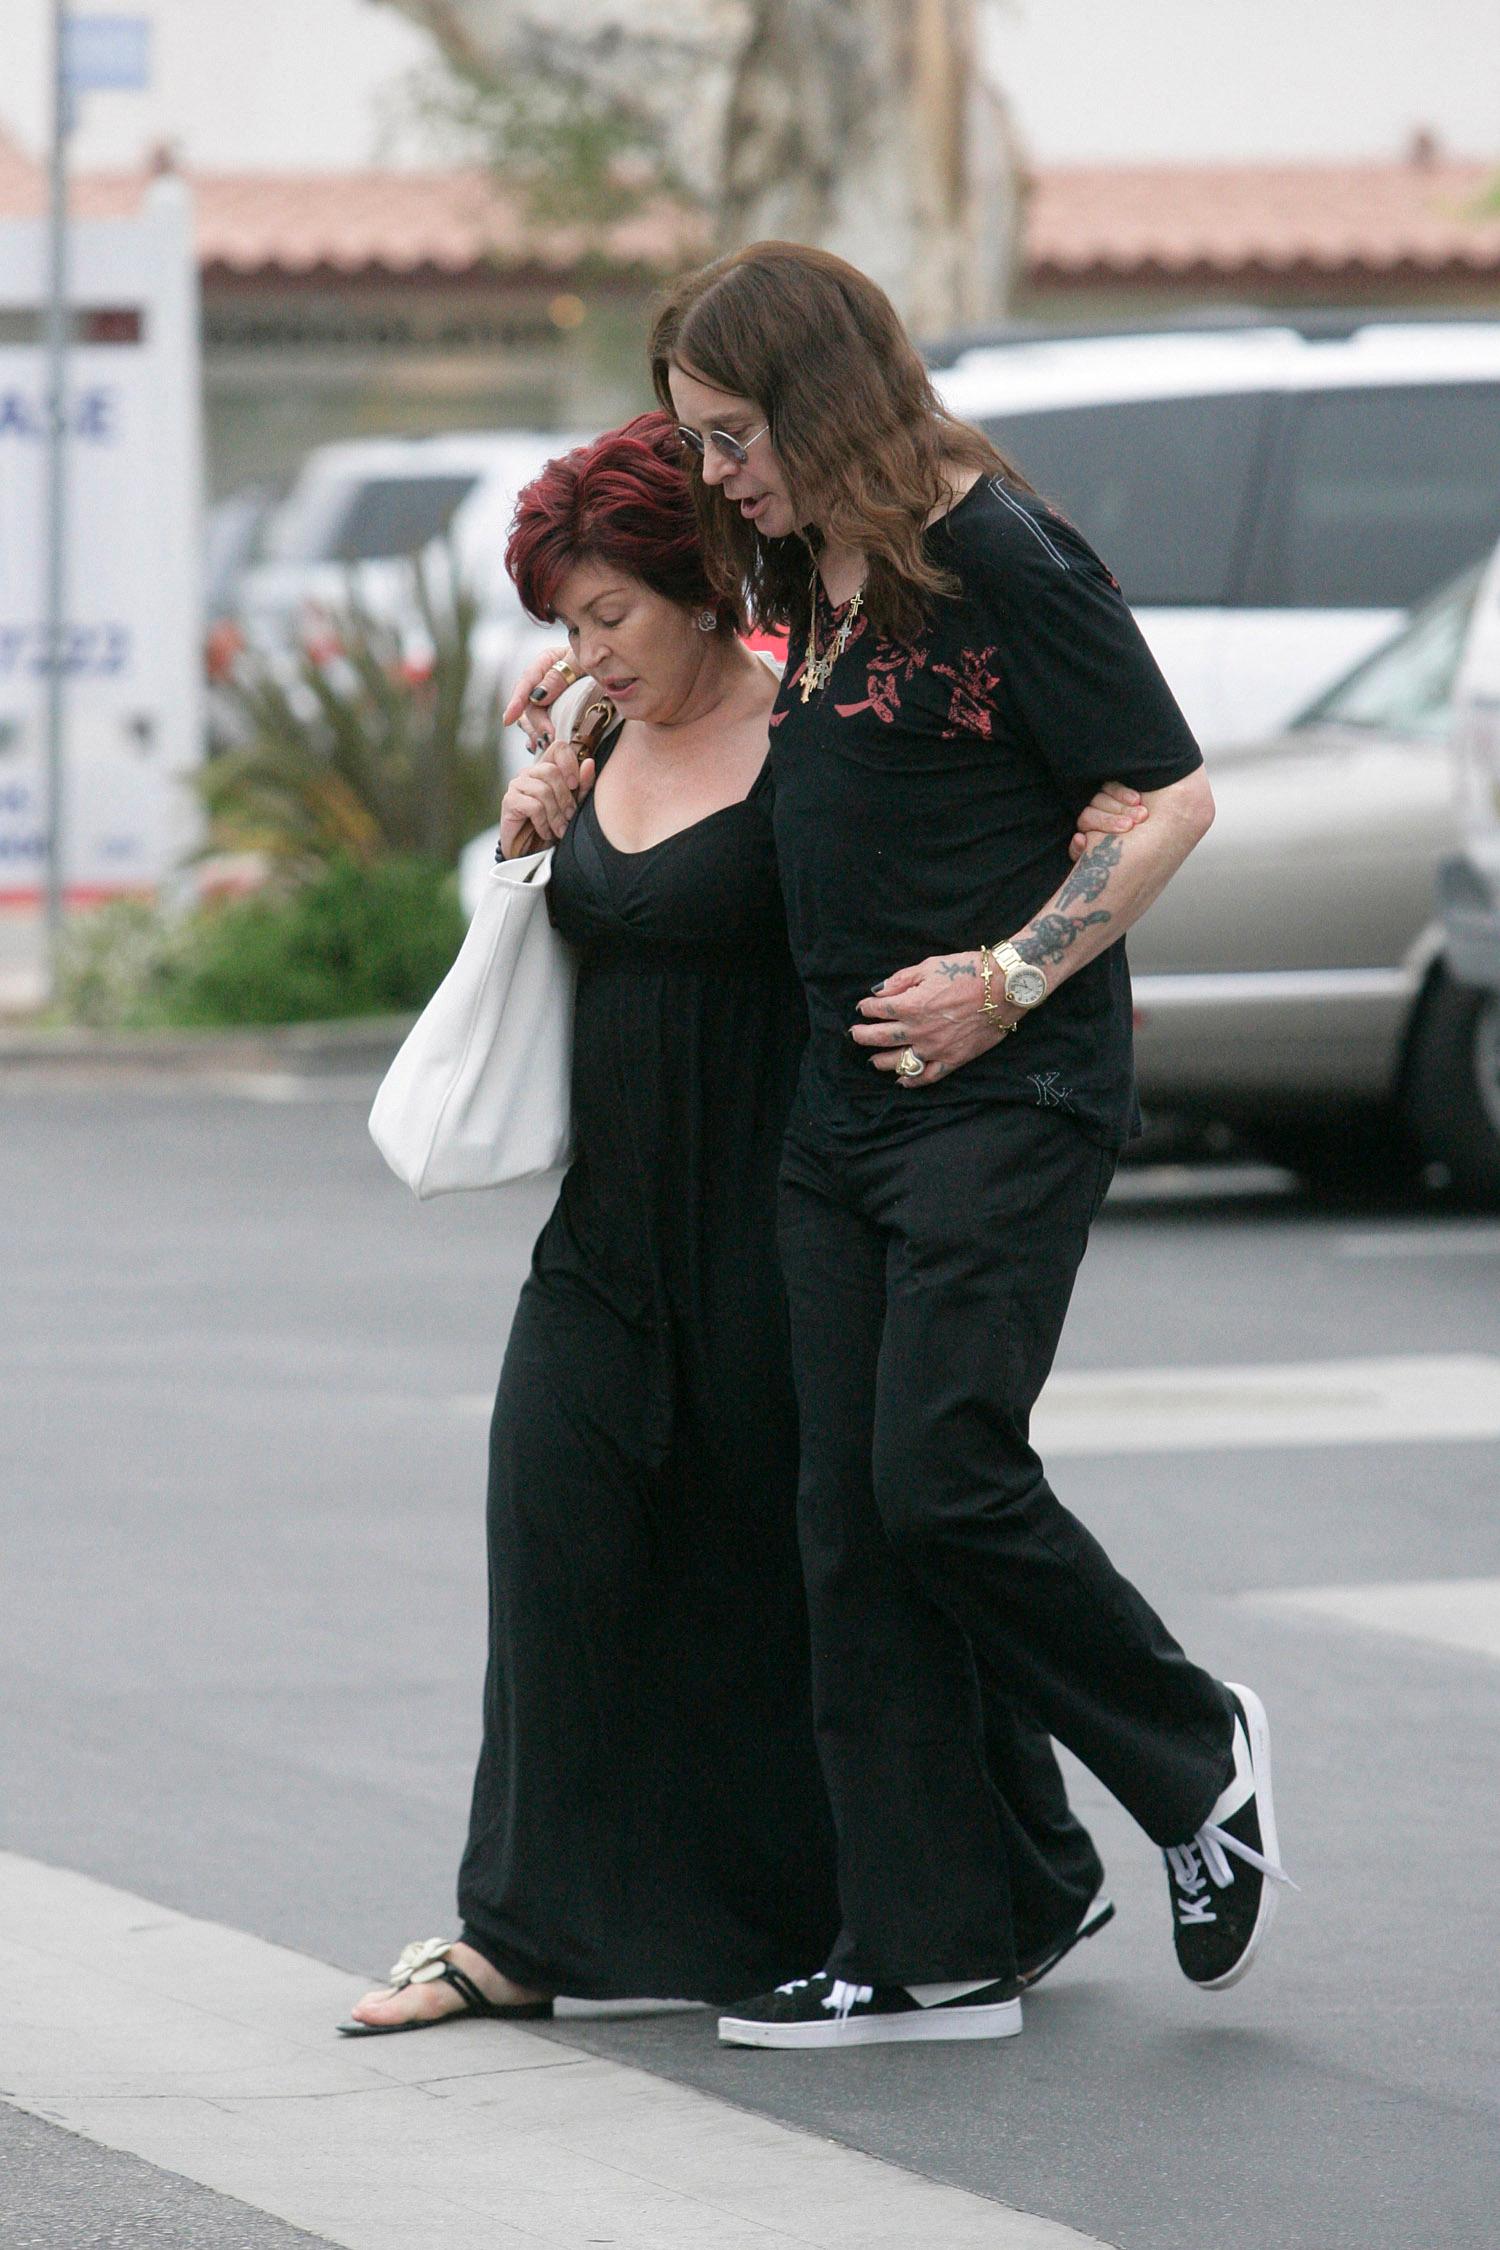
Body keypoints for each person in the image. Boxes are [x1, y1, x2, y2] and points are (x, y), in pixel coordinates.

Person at [341, 414, 1141, 2034]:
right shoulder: (586, 737)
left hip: (781, 1206)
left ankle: (1005, 1874)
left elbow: (983, 857)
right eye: (566, 624)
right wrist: (522, 834)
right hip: (608, 1226)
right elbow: (563, 934)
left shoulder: (817, 745)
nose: (586, 649)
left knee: (794, 1576)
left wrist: (1003, 994)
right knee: (556, 1547)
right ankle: (517, 1927)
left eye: (610, 614)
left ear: (702, 590)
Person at [629, 243, 1293, 2052]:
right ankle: (925, 1946)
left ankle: (1189, 1747)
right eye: (696, 440)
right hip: (839, 1113)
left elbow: (1169, 792)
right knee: (849, 1531)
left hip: (1009, 1097)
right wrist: (580, 726)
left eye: (734, 433)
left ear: (825, 396)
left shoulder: (996, 550)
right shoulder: (812, 567)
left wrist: (1008, 978)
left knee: (938, 1473)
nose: (716, 473)